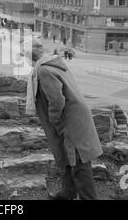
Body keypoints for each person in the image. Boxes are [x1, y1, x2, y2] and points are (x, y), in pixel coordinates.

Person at [26, 39, 103, 200]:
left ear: (29, 55)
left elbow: (57, 101)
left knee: (80, 163)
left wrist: (54, 121)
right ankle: (66, 194)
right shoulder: (52, 63)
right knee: (71, 158)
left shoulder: (44, 70)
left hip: (70, 121)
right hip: (75, 117)